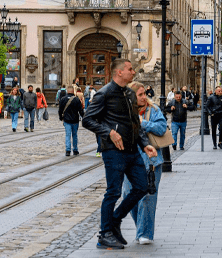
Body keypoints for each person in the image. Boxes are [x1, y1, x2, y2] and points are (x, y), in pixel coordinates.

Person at [82, 58, 157, 250]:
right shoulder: (104, 94)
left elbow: (135, 123)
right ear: (119, 73)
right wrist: (109, 132)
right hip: (113, 151)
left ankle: (114, 219)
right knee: (113, 192)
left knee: (141, 187)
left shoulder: (129, 93)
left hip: (132, 151)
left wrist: (145, 144)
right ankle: (105, 234)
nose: (133, 72)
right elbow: (88, 120)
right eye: (130, 69)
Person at [123, 81, 167, 245]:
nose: (144, 97)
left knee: (147, 197)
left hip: (151, 162)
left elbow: (162, 128)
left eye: (144, 94)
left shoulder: (153, 110)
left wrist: (144, 123)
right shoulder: (125, 112)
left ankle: (145, 233)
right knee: (128, 196)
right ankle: (141, 227)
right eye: (140, 94)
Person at [59, 85, 84, 156]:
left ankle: (68, 150)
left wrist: (61, 117)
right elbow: (80, 110)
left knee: (68, 135)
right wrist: (83, 117)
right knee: (75, 135)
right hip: (75, 120)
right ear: (73, 91)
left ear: (67, 91)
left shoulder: (63, 99)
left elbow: (60, 110)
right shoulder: (76, 99)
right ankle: (75, 149)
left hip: (66, 120)